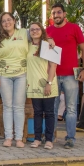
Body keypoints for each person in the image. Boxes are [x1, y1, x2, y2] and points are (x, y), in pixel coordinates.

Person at [46, 3, 84, 149]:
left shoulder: (74, 28)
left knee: (71, 108)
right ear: (51, 16)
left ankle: (70, 138)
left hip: (71, 74)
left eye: (59, 12)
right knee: (52, 108)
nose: (56, 15)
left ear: (64, 14)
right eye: (53, 13)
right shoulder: (48, 31)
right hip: (53, 74)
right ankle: (50, 137)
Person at [0, 12, 28, 148]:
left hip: (22, 75)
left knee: (19, 107)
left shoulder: (24, 33)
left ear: (14, 20)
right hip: (4, 76)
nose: (7, 23)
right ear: (0, 24)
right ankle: (8, 137)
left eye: (9, 20)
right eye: (3, 21)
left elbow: (39, 36)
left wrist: (50, 40)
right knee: (7, 106)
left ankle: (18, 138)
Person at [27, 22, 58, 150]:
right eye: (32, 29)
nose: (34, 31)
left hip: (48, 84)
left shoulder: (48, 46)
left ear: (42, 30)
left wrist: (49, 83)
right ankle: (37, 138)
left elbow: (53, 65)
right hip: (33, 85)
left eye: (37, 29)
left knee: (49, 113)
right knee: (37, 113)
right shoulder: (27, 46)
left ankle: (49, 140)